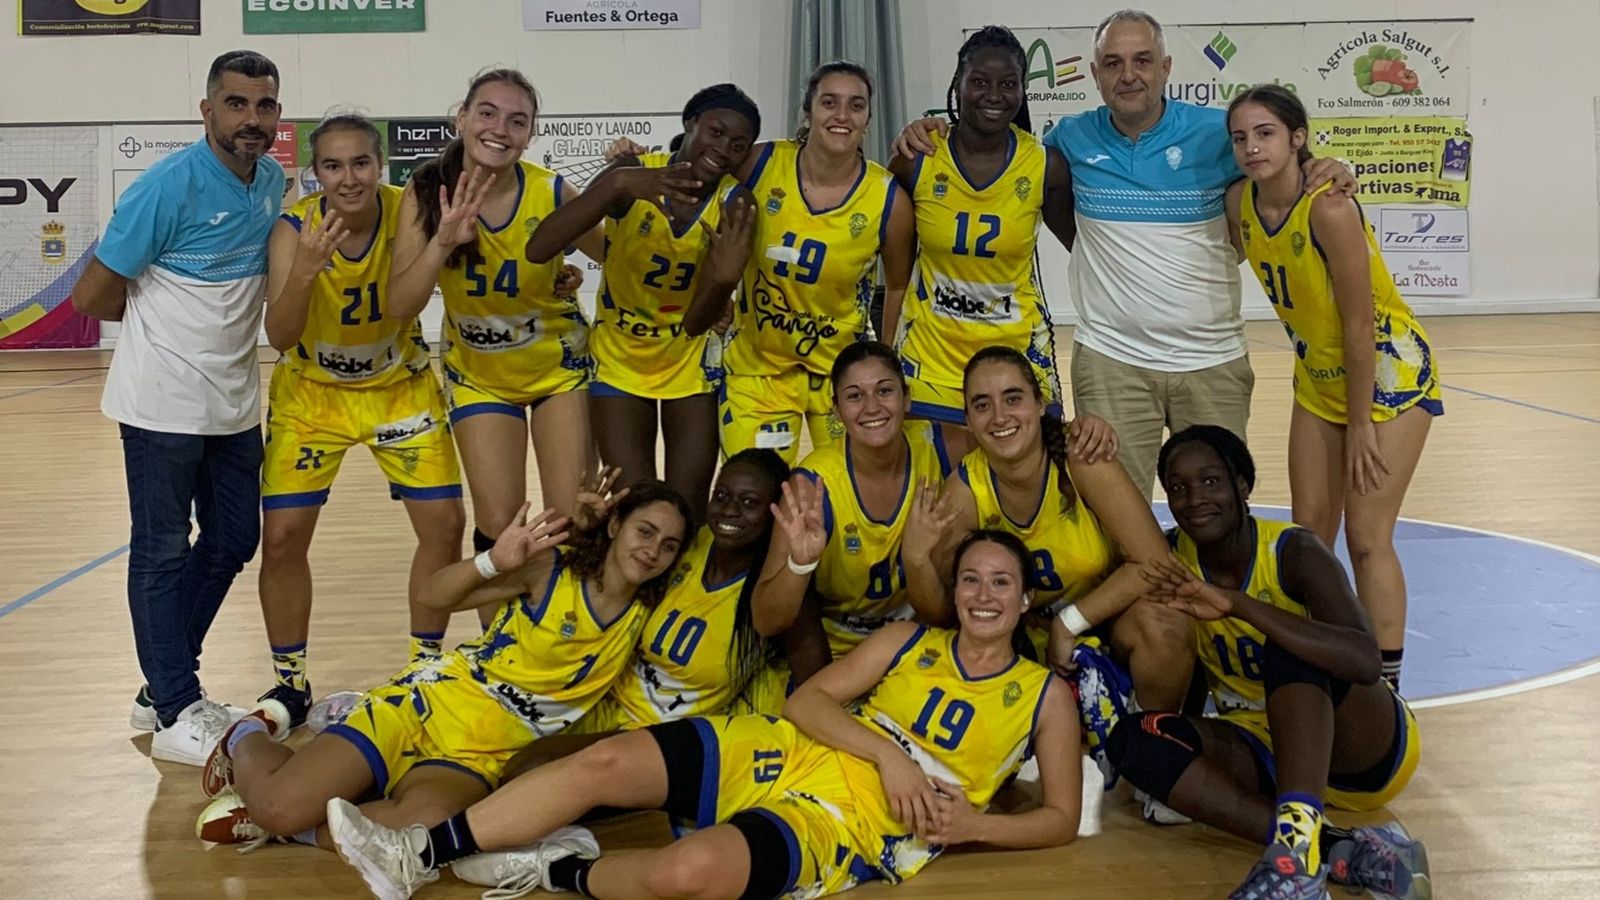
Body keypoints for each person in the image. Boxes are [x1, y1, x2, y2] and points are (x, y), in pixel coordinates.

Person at [324, 530, 1081, 900]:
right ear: (955, 592)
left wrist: (974, 826)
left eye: (1002, 583)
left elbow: (1058, 817)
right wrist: (889, 754)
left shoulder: (1046, 696)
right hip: (792, 746)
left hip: (856, 818)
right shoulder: (909, 637)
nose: (984, 595)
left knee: (690, 874)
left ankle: (559, 869)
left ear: (1023, 599)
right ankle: (416, 856)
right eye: (973, 579)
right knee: (603, 761)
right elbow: (807, 700)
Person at [893, 10, 1357, 498]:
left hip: (1211, 362)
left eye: (1142, 60)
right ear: (1095, 74)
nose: (1128, 74)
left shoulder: (1217, 134)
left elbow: (1278, 159)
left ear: (1166, 67)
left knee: (1216, 512)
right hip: (1111, 362)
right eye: (1113, 63)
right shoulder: (1068, 142)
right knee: (1115, 517)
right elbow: (1060, 218)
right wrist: (924, 127)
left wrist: (1328, 165)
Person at [194, 483, 692, 851]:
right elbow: (430, 595)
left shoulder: (655, 613)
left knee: (424, 835)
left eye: (669, 545)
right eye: (644, 531)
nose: (652, 550)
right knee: (279, 804)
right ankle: (246, 741)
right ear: (614, 526)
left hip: (484, 755)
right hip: (428, 704)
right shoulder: (550, 568)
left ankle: (287, 827)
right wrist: (493, 561)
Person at [70, 50, 284, 765]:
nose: (251, 120)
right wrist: (169, 331)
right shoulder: (165, 187)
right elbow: (93, 298)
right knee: (161, 550)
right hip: (161, 404)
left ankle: (162, 685)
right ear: (207, 110)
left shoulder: (274, 181)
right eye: (236, 104)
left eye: (263, 106)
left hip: (234, 403)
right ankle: (174, 707)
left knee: (231, 541)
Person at [1109, 425, 1429, 900]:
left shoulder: (1294, 551)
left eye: (1212, 481)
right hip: (1269, 747)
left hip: (1363, 746)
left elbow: (1363, 661)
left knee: (1288, 647)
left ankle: (1296, 862)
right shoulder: (1171, 559)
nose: (1195, 497)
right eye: (1178, 488)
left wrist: (1236, 605)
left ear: (1242, 485)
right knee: (1136, 740)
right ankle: (1333, 850)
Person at [1225, 85, 1441, 691]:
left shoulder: (1328, 206)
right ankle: (1321, 663)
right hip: (1315, 376)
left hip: (1386, 376)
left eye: (1265, 133)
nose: (1251, 146)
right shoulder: (1239, 201)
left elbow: (1358, 324)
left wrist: (1363, 424)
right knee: (1309, 533)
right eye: (1240, 137)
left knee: (1368, 537)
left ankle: (1386, 685)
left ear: (1297, 138)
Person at [255, 113, 466, 726]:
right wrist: (304, 273)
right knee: (284, 538)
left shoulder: (411, 211)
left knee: (445, 523)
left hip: (398, 389)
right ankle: (290, 683)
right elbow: (280, 333)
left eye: (360, 163)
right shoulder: (294, 230)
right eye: (332, 165)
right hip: (314, 396)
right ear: (314, 172)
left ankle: (425, 664)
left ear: (381, 166)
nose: (348, 178)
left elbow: (441, 279)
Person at [387, 68, 601, 589]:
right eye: (487, 113)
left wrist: (623, 183)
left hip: (559, 369)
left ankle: (571, 639)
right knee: (498, 529)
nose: (499, 129)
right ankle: (498, 648)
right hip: (480, 375)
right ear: (461, 118)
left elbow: (625, 257)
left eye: (517, 120)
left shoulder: (553, 192)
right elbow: (398, 305)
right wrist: (441, 243)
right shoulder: (423, 191)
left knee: (571, 519)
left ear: (530, 135)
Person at [903, 347, 1190, 723]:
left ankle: (1149, 749)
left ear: (1041, 404)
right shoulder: (963, 493)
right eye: (982, 405)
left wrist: (1068, 623)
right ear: (969, 420)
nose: (1000, 416)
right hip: (1019, 635)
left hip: (1105, 615)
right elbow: (940, 613)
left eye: (1013, 398)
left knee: (1166, 628)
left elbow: (1155, 562)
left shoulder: (1082, 455)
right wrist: (916, 558)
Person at [526, 84, 762, 525]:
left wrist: (725, 278)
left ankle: (682, 594)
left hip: (688, 359)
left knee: (688, 506)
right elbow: (539, 248)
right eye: (715, 130)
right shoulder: (632, 172)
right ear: (690, 123)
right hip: (618, 357)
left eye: (738, 144)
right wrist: (616, 182)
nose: (723, 148)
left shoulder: (736, 202)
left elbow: (695, 325)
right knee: (635, 507)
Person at [497, 449, 792, 781]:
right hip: (602, 705)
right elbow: (610, 576)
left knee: (534, 768)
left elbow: (813, 675)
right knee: (503, 746)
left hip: (664, 737)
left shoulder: (772, 588)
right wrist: (585, 530)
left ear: (775, 513)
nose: (730, 510)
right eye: (721, 495)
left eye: (749, 502)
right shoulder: (689, 547)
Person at [888, 26, 1077, 460]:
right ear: (957, 85)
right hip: (931, 357)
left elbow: (1086, 252)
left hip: (1018, 352)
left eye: (1008, 84)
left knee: (1029, 491)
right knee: (936, 497)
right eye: (979, 82)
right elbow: (875, 246)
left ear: (1023, 91)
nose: (994, 94)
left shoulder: (1045, 165)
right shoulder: (917, 157)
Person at [723, 62, 915, 464]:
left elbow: (897, 285)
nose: (842, 115)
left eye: (856, 105)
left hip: (840, 374)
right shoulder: (760, 164)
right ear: (807, 111)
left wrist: (882, 364)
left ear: (867, 119)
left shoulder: (887, 199)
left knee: (845, 492)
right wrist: (712, 297)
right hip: (759, 370)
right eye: (829, 102)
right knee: (758, 492)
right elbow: (698, 201)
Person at [752, 342, 952, 680]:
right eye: (855, 396)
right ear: (836, 409)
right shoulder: (810, 488)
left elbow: (1020, 445)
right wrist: (799, 565)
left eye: (885, 391)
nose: (872, 407)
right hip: (838, 651)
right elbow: (766, 620)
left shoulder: (945, 448)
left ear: (907, 397)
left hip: (920, 645)